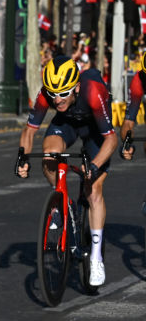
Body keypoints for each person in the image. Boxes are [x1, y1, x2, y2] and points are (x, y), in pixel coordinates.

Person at [16, 55, 117, 287]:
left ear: (77, 87)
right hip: (67, 124)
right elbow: (29, 131)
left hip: (95, 129)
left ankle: (96, 258)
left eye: (63, 93)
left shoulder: (92, 92)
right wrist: (22, 158)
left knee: (93, 190)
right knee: (50, 154)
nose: (57, 99)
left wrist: (93, 166)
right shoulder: (47, 95)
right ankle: (61, 200)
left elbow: (111, 140)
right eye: (52, 94)